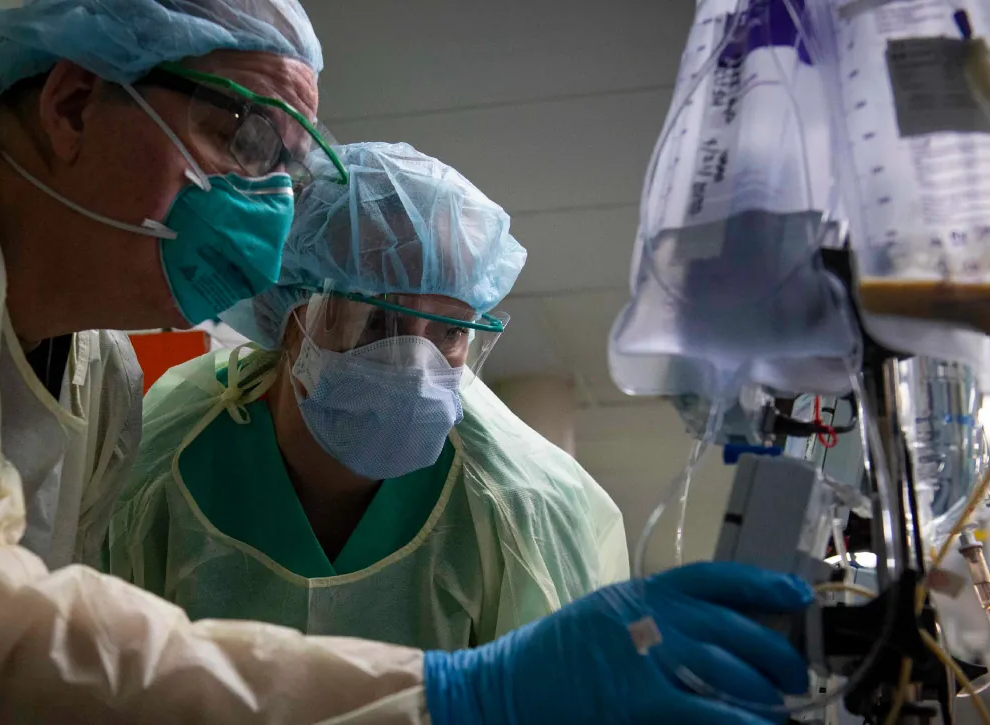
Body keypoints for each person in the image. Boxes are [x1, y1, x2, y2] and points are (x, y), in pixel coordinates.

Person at [0, 0, 815, 722]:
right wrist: (464, 693)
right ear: (72, 105)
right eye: (242, 135)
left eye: (293, 161)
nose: (276, 203)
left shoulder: (95, 379)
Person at [105, 141, 629, 649]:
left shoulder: (522, 505)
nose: (416, 370)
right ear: (291, 318)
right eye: (376, 321)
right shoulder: (157, 467)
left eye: (449, 332)